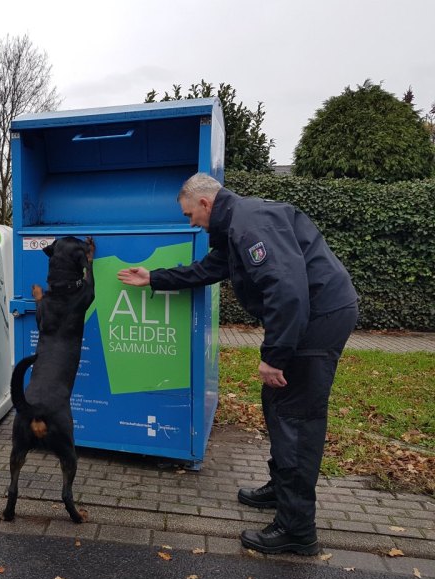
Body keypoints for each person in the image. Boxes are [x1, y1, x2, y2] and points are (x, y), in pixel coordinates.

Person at [117, 173, 358, 555]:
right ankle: (281, 491)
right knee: (278, 405)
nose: (190, 222)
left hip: (317, 319)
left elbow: (287, 290)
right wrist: (154, 278)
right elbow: (208, 270)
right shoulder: (236, 227)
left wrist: (274, 356)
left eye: (189, 214)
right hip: (313, 315)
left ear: (205, 204)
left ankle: (297, 530)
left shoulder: (250, 225)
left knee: (295, 418)